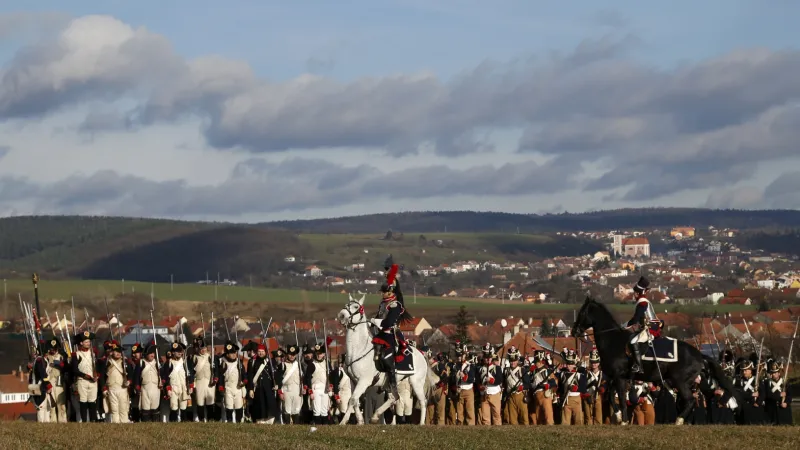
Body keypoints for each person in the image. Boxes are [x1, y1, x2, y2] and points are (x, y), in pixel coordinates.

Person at [369, 255, 414, 389]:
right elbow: (379, 316)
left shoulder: (395, 305)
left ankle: (392, 381)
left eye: (384, 292)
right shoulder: (383, 304)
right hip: (380, 332)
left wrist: (376, 322)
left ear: (390, 292)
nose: (381, 294)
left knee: (387, 356)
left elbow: (388, 322)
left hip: (390, 333)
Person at [624, 276, 659, 373]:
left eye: (635, 293)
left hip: (651, 328)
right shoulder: (642, 302)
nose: (633, 295)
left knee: (633, 341)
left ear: (638, 293)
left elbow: (636, 318)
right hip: (648, 326)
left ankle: (639, 366)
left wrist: (625, 325)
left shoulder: (642, 303)